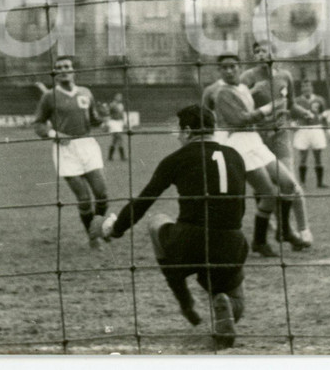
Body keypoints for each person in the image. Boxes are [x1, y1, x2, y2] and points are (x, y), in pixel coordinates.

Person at [91, 105, 248, 350]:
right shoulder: (235, 155)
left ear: (187, 131)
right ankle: (224, 302)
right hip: (231, 242)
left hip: (189, 242)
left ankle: (184, 301)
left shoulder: (177, 158)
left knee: (157, 221)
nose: (176, 135)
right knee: (236, 298)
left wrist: (115, 228)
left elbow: (143, 201)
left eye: (177, 129)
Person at [209, 53, 312, 255]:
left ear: (240, 68)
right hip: (239, 146)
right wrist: (268, 109)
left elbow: (252, 112)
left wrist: (276, 112)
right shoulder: (221, 94)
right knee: (268, 195)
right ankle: (260, 241)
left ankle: (283, 231)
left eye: (233, 66)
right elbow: (239, 120)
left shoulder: (242, 88)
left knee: (289, 184)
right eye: (225, 68)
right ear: (219, 72)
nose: (229, 70)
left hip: (255, 142)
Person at [32, 56, 109, 249]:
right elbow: (38, 123)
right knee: (84, 199)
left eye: (67, 66)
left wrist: (102, 117)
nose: (63, 69)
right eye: (59, 67)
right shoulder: (49, 96)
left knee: (102, 194)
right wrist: (53, 133)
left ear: (74, 71)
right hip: (65, 150)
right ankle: (93, 237)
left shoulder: (86, 92)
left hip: (87, 145)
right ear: (55, 74)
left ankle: (97, 228)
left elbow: (93, 120)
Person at [240, 40, 315, 171]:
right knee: (266, 184)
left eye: (264, 51)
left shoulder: (285, 76)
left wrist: (305, 113)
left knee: (287, 177)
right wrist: (252, 91)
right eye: (257, 52)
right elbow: (238, 105)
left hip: (280, 133)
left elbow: (291, 105)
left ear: (274, 53)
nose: (260, 55)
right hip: (258, 134)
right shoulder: (247, 77)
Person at [292, 80, 330, 188]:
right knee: (303, 156)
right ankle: (302, 183)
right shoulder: (297, 101)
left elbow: (324, 116)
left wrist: (329, 131)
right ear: (301, 88)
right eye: (304, 86)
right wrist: (293, 124)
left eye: (308, 86)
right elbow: (293, 116)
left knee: (318, 155)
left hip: (316, 129)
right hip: (303, 129)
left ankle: (320, 183)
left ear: (312, 87)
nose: (306, 88)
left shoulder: (320, 100)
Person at [106, 93, 128, 162]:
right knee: (119, 138)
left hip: (119, 123)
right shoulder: (112, 105)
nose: (120, 98)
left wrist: (123, 122)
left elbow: (121, 115)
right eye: (118, 97)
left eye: (120, 97)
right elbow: (108, 113)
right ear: (115, 97)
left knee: (115, 140)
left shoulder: (121, 105)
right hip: (113, 122)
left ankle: (110, 156)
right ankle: (122, 156)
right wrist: (107, 123)